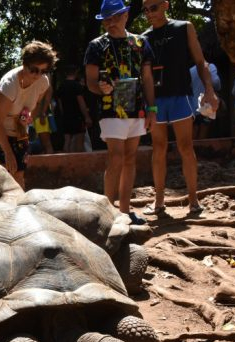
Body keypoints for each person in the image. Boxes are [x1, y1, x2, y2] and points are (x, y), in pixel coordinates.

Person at [141, 0, 217, 217]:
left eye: (153, 8)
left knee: (185, 146)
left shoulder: (184, 27)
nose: (149, 13)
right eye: (145, 10)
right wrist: (147, 105)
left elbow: (200, 61)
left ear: (165, 5)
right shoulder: (143, 38)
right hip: (156, 100)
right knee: (158, 148)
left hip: (180, 95)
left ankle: (193, 200)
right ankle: (158, 203)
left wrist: (209, 90)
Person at [84, 0, 156, 224]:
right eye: (107, 19)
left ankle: (125, 212)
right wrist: (100, 88)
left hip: (136, 107)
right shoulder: (96, 46)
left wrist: (152, 108)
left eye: (115, 17)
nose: (111, 22)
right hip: (110, 109)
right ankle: (109, 214)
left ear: (126, 16)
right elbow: (90, 82)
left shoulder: (141, 42)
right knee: (115, 157)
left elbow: (147, 79)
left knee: (130, 158)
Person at [0, 40, 57, 187]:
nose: (38, 75)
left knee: (19, 174)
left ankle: (19, 207)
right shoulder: (9, 84)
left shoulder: (43, 82)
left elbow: (33, 107)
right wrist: (8, 153)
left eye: (43, 71)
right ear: (24, 64)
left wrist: (27, 117)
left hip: (19, 128)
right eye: (34, 70)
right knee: (3, 173)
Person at [58, 64, 93, 152]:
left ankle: (65, 162)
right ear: (76, 72)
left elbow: (60, 103)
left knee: (67, 141)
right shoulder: (77, 86)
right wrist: (87, 117)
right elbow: (81, 102)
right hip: (77, 116)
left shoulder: (61, 86)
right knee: (79, 142)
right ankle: (79, 163)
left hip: (66, 116)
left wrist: (63, 114)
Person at [189, 61, 221, 139]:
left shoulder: (190, 70)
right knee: (204, 129)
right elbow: (216, 82)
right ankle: (201, 150)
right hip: (206, 104)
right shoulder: (210, 66)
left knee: (194, 129)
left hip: (193, 106)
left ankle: (194, 150)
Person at [32, 82, 55, 154]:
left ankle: (51, 164)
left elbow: (47, 99)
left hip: (40, 116)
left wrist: (43, 113)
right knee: (42, 144)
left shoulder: (46, 84)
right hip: (33, 117)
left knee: (46, 143)